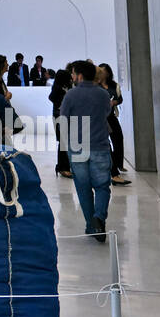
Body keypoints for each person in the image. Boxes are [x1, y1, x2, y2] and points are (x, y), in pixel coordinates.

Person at [59, 60, 114, 241]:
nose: (72, 77)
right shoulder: (103, 94)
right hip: (100, 146)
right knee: (102, 186)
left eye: (73, 74)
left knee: (83, 189)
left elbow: (64, 118)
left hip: (77, 148)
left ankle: (92, 226)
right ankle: (99, 217)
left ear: (80, 76)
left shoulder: (71, 95)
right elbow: (107, 113)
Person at [97, 63, 130, 185]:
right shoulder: (96, 86)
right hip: (101, 118)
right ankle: (113, 170)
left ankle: (117, 165)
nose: (103, 73)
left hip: (111, 116)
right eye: (101, 71)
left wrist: (114, 102)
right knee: (106, 143)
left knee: (118, 138)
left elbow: (120, 99)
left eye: (105, 71)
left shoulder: (113, 85)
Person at [50, 62, 75, 176]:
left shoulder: (64, 88)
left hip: (62, 116)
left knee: (65, 141)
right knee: (64, 141)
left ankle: (63, 166)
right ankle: (63, 167)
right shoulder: (59, 90)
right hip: (60, 117)